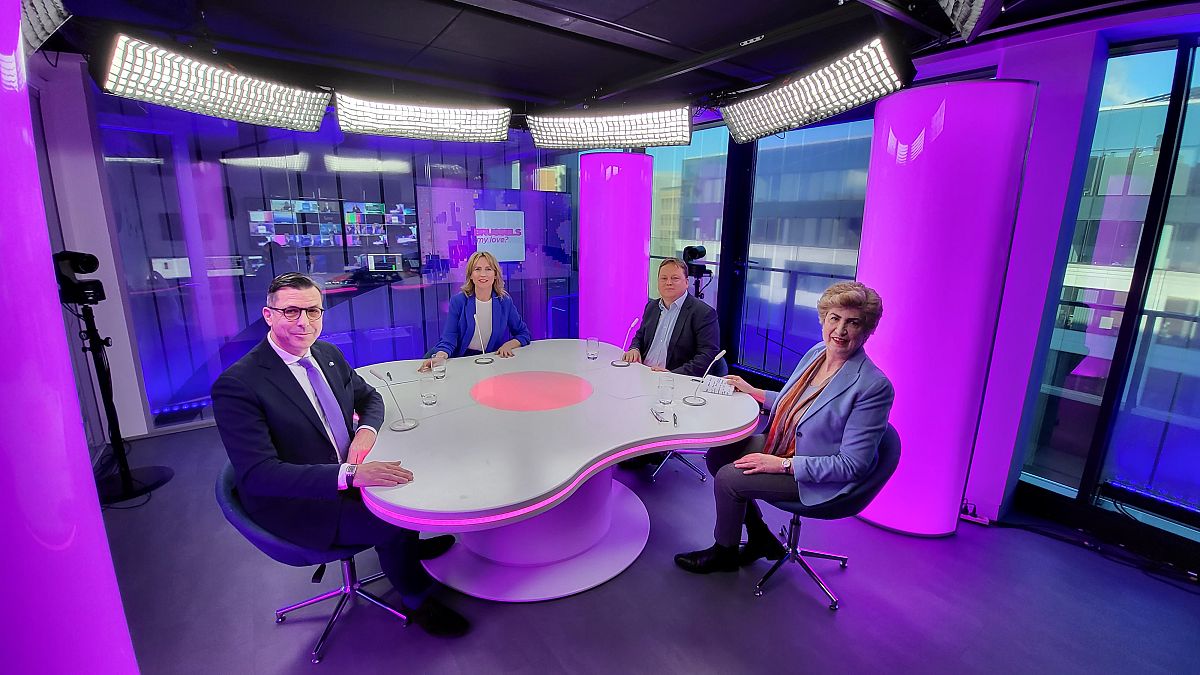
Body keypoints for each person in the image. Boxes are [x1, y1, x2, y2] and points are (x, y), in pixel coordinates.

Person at [211, 272, 469, 636]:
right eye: (291, 312)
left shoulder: (326, 354)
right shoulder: (238, 385)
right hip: (298, 502)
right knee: (394, 518)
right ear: (268, 315)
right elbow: (259, 475)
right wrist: (350, 475)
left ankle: (409, 548)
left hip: (342, 468)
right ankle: (416, 595)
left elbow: (370, 398)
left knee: (413, 483)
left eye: (313, 311)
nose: (304, 322)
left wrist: (364, 432)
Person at [674, 281, 894, 574]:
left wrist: (783, 465)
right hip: (785, 443)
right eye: (834, 319)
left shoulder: (873, 386)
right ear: (823, 319)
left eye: (853, 323)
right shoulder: (818, 352)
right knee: (717, 456)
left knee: (729, 478)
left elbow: (852, 465)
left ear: (867, 330)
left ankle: (724, 553)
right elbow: (799, 404)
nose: (840, 331)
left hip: (811, 469)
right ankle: (760, 537)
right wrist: (755, 392)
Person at [422, 250, 531, 369]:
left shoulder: (504, 302)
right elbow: (449, 337)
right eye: (477, 269)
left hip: (489, 361)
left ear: (495, 275)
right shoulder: (459, 301)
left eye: (488, 269)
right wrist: (440, 357)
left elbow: (523, 333)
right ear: (471, 275)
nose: (482, 274)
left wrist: (508, 345)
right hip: (460, 360)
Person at [622, 258, 720, 376]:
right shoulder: (652, 306)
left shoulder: (703, 313)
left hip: (674, 381)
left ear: (686, 282)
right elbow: (640, 336)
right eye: (664, 278)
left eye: (675, 278)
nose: (668, 282)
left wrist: (672, 374)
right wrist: (634, 349)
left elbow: (707, 355)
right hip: (643, 373)